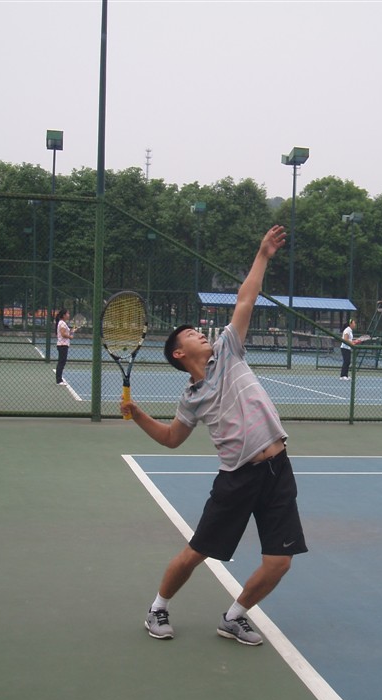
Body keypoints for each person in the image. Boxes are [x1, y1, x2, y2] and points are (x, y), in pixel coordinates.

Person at [120, 225, 308, 646]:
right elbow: (172, 438)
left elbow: (246, 298)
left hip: (278, 469)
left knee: (280, 561)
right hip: (237, 479)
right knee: (197, 552)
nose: (200, 333)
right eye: (191, 334)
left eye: (198, 330)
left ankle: (234, 617)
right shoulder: (191, 398)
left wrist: (262, 254)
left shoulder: (229, 349)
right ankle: (157, 608)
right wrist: (138, 415)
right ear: (179, 353)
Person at [54, 308, 73, 385]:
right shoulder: (62, 323)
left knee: (62, 362)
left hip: (63, 345)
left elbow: (66, 332)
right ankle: (59, 380)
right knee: (61, 362)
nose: (69, 315)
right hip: (62, 345)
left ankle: (60, 379)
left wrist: (72, 331)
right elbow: (63, 334)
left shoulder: (63, 323)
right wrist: (70, 336)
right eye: (68, 313)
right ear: (64, 315)